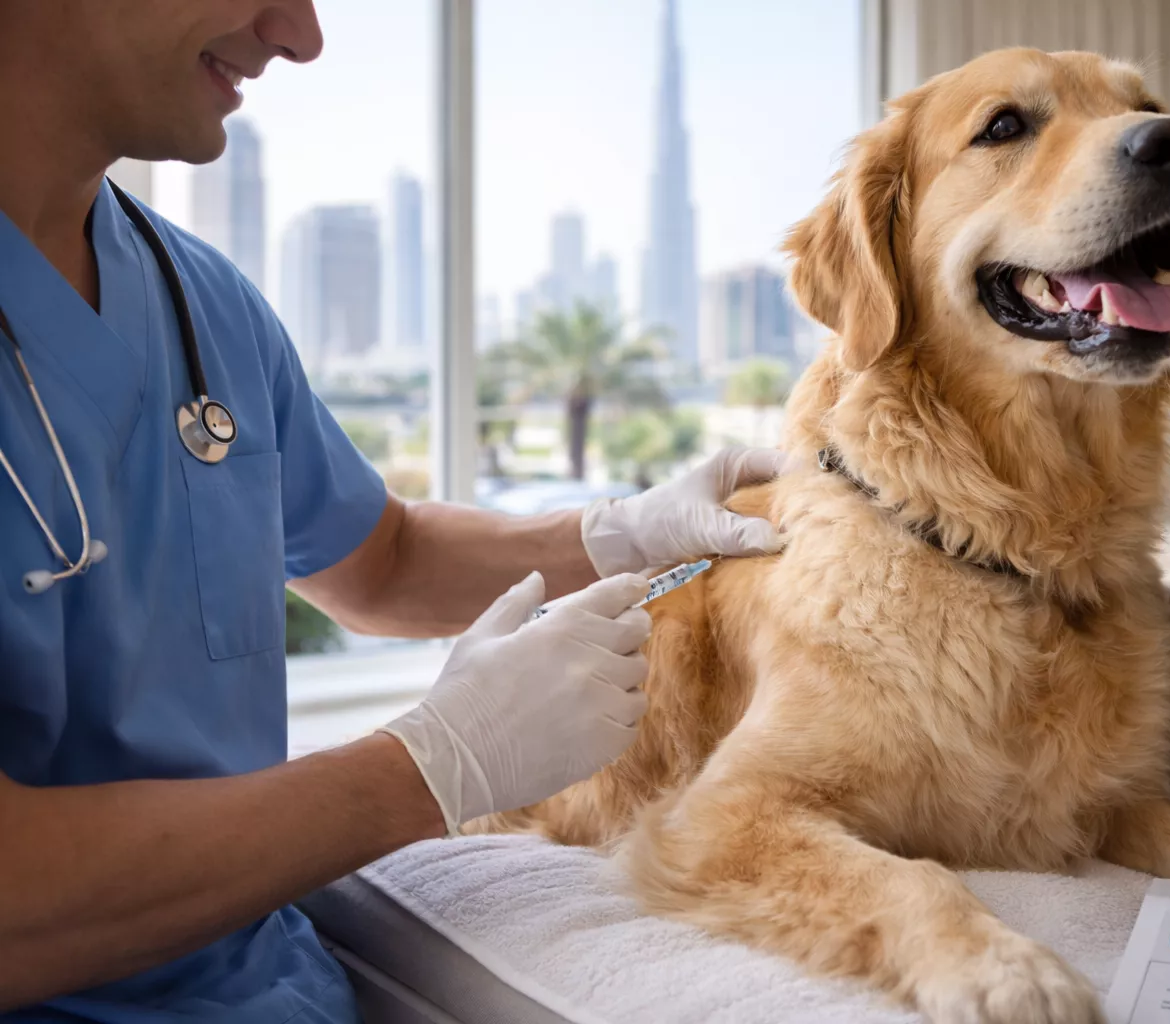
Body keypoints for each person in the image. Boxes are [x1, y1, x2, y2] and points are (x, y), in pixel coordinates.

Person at [0, 3, 786, 1020]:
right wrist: (424, 767)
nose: (300, 34)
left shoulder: (201, 303)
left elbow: (383, 562)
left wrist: (622, 531)